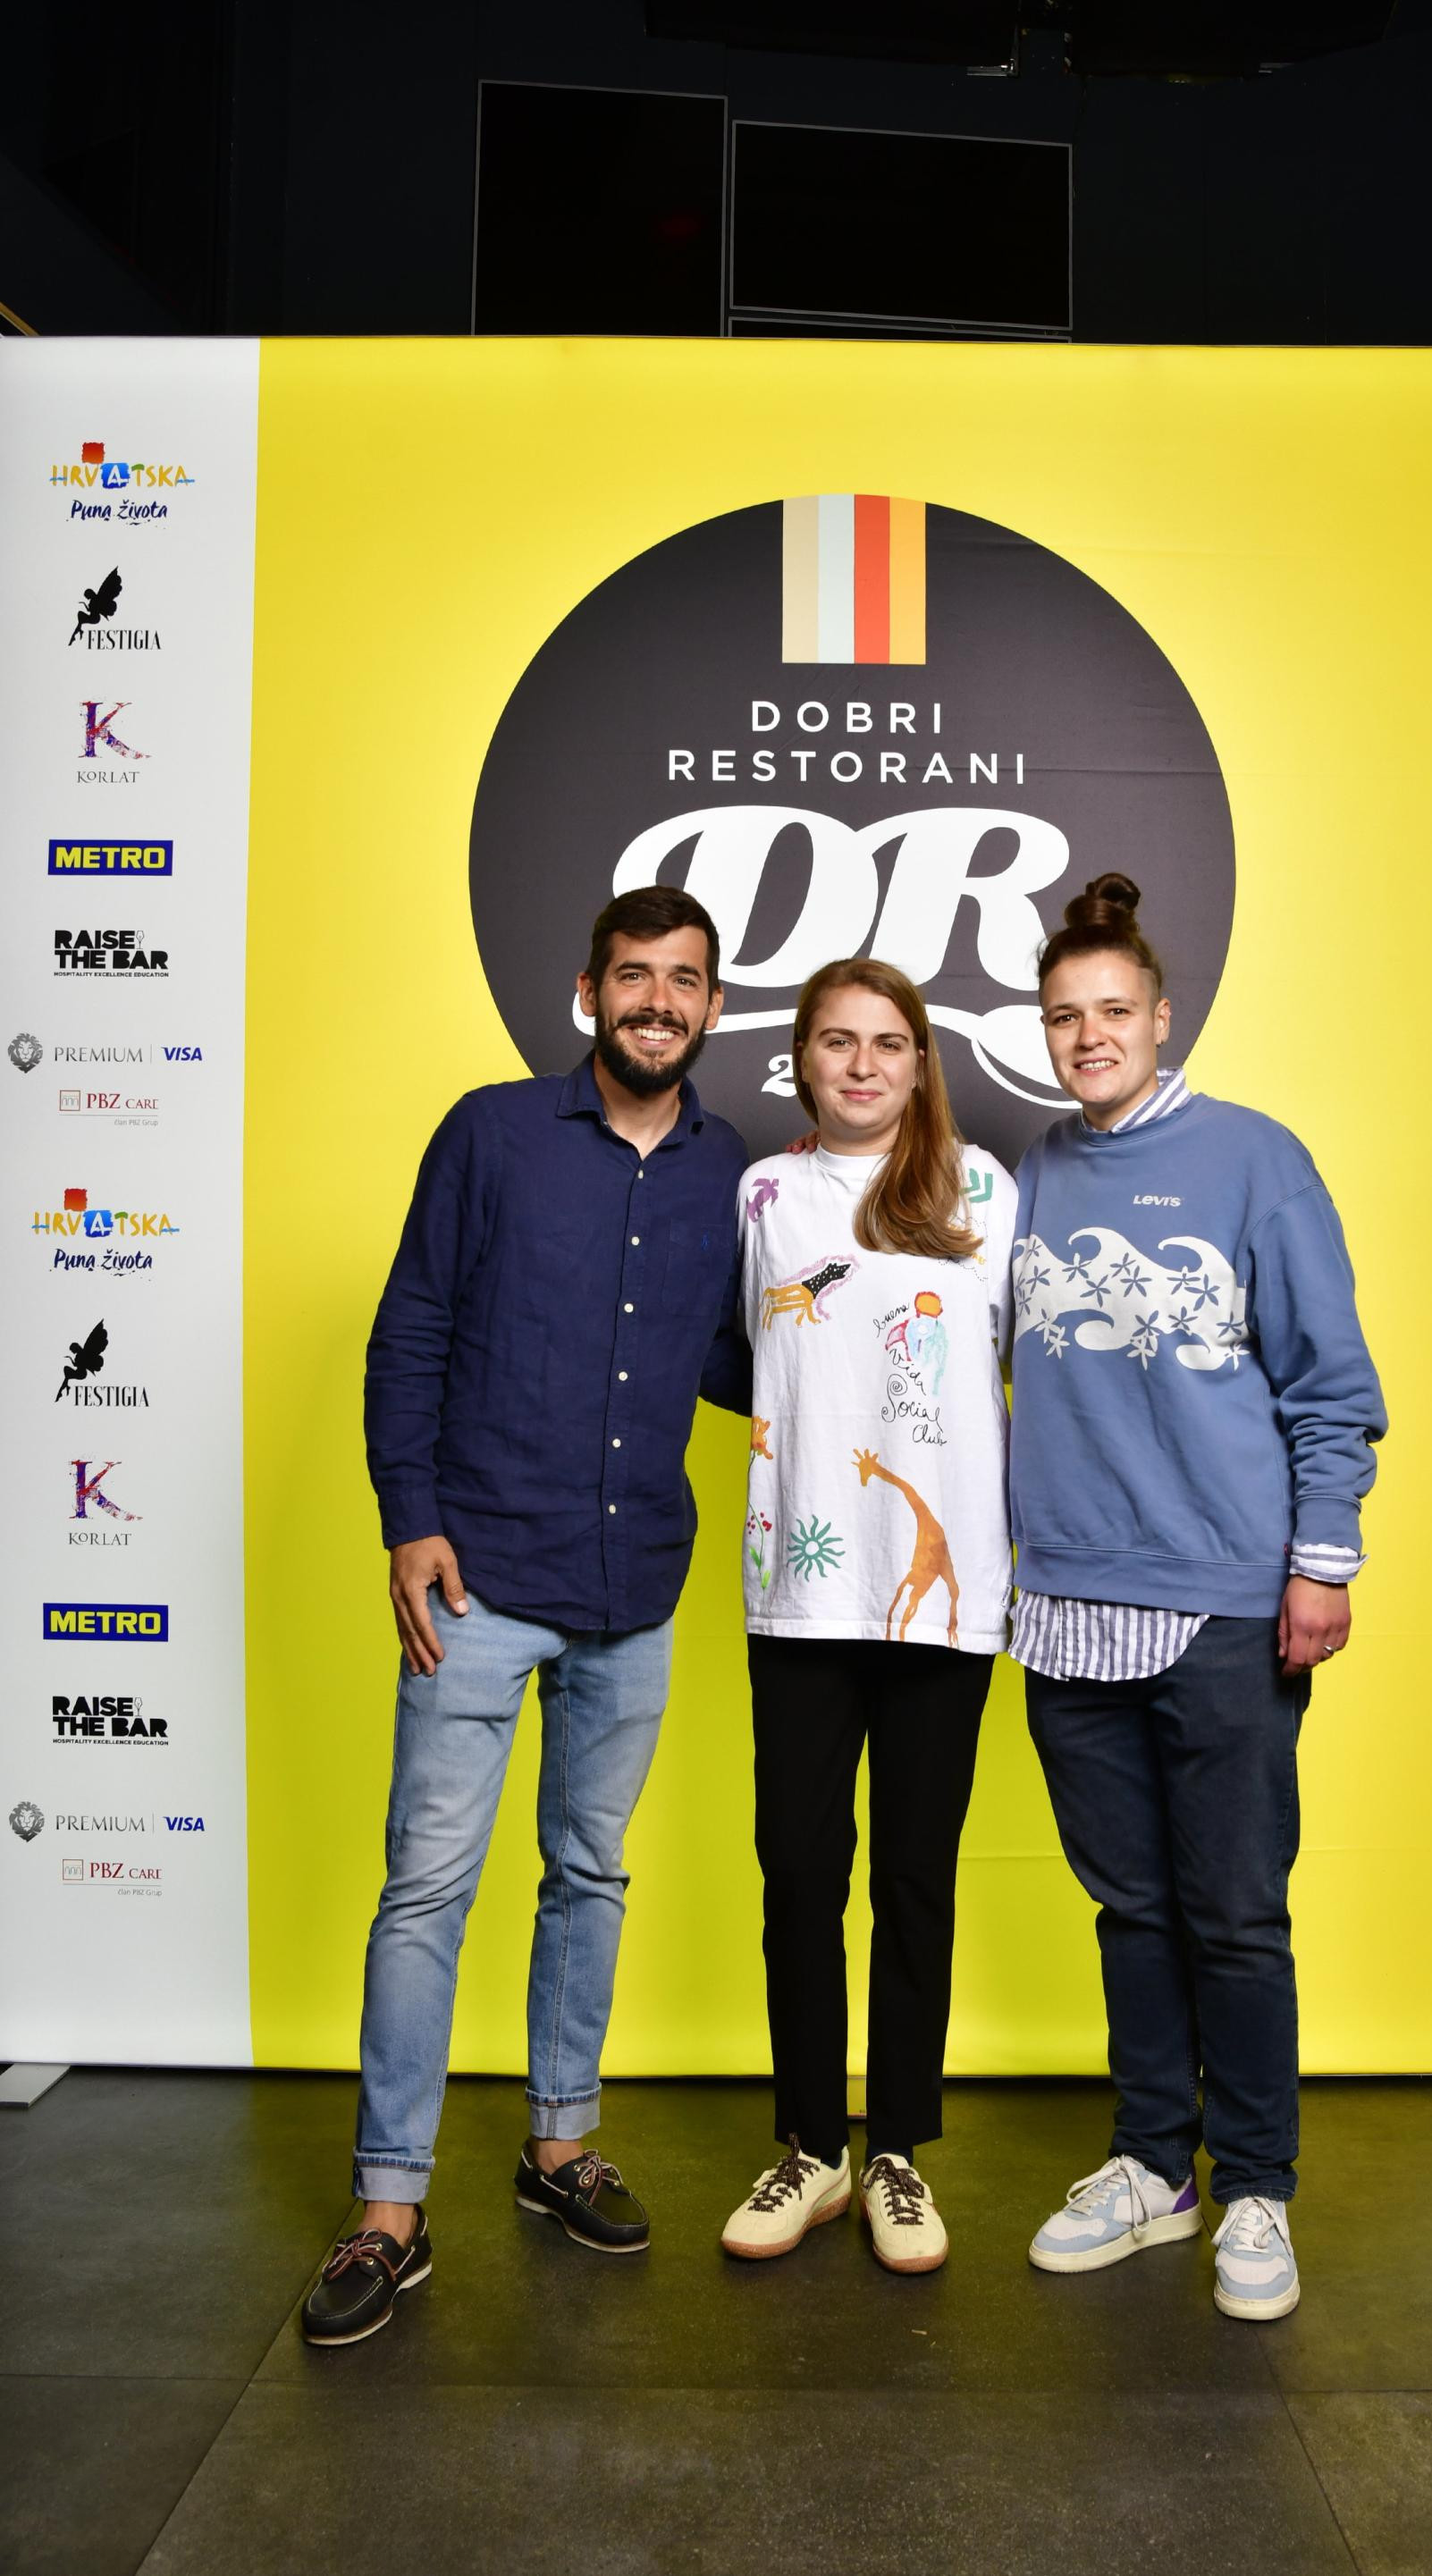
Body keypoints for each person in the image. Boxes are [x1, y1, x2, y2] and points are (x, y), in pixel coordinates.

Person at [301, 888, 751, 2346]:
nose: (658, 1001)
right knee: (427, 1888)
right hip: (480, 1575)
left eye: (685, 980)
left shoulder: (733, 1172)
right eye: (635, 975)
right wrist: (409, 1518)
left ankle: (560, 2146)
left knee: (590, 1873)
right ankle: (389, 2209)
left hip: (635, 1585)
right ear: (588, 991)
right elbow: (411, 1328)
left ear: (712, 1007)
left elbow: (743, 1359)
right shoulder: (490, 1135)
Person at [1010, 873, 1385, 2320]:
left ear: (1162, 1016)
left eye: (1114, 1010)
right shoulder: (1032, 1172)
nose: (1089, 1036)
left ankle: (1259, 2187)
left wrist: (1320, 1559)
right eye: (1064, 1015)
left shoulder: (1255, 1160)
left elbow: (1330, 1383)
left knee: (1233, 1911)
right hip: (1065, 1603)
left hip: (1226, 1601)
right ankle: (1155, 2165)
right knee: (1131, 1907)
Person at [719, 960, 1016, 2275]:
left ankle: (894, 2147)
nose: (861, 1064)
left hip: (945, 1597)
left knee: (914, 1876)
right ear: (800, 1056)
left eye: (887, 1042)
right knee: (799, 1870)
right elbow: (743, 1358)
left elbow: (1028, 1365)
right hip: (802, 1585)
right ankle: (810, 2147)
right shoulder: (764, 1195)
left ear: (920, 1061)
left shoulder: (986, 1191)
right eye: (836, 1041)